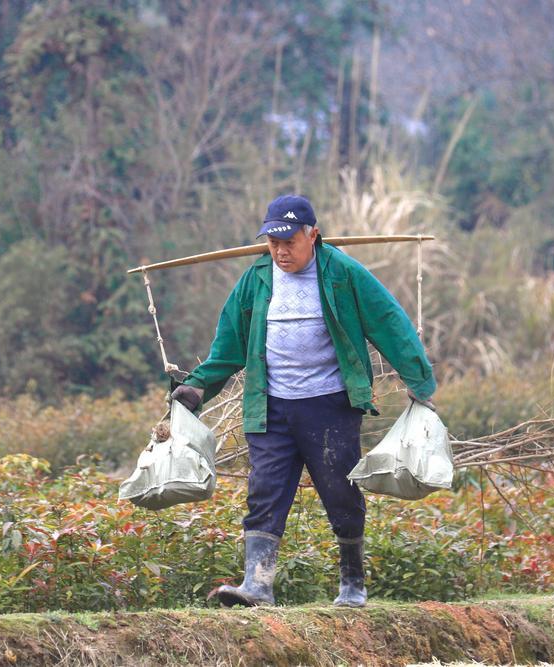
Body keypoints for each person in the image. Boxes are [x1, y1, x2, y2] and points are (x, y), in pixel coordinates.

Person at [171, 194, 436, 608]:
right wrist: (197, 387)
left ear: (313, 235)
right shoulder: (256, 279)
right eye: (273, 242)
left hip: (329, 405)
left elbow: (389, 323)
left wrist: (418, 380)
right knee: (265, 492)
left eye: (289, 241)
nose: (280, 251)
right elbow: (228, 345)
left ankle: (352, 582)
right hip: (271, 406)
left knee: (340, 493)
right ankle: (257, 586)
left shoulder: (343, 274)